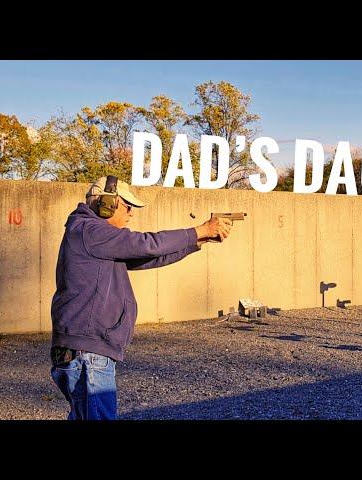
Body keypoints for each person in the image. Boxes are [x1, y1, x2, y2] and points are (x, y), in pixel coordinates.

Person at [49, 175, 232, 420]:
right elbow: (147, 244)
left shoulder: (91, 234)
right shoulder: (90, 230)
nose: (131, 213)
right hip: (87, 353)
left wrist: (199, 240)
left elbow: (150, 256)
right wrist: (198, 229)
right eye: (127, 206)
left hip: (85, 350)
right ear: (107, 203)